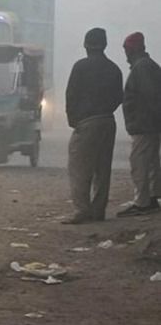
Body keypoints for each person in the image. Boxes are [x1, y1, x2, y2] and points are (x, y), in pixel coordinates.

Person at [63, 28, 124, 224]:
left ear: (86, 45)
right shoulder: (114, 69)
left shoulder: (81, 67)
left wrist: (73, 119)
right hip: (108, 121)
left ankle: (82, 210)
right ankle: (98, 211)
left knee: (80, 167)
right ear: (105, 45)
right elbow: (118, 98)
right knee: (102, 168)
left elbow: (71, 95)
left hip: (87, 122)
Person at [117, 32, 161, 217]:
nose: (126, 54)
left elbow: (151, 98)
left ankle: (142, 202)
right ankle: (151, 197)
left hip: (145, 126)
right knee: (151, 162)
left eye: (127, 50)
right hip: (150, 125)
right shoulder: (148, 67)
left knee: (140, 163)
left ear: (133, 49)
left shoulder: (142, 69)